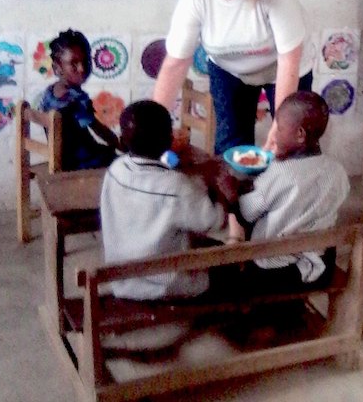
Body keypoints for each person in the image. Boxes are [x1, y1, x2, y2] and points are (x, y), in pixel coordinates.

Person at [153, 0, 314, 155]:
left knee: (293, 145)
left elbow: (289, 58)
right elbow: (175, 64)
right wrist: (154, 130)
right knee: (231, 147)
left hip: (283, 66)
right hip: (228, 69)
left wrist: (280, 126)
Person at [100, 100, 228, 300]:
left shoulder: (116, 169)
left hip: (122, 278)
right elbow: (216, 221)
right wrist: (221, 189)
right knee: (236, 264)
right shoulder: (175, 186)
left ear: (123, 141)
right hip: (164, 285)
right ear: (170, 141)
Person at [236, 91, 350, 292]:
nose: (274, 137)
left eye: (278, 129)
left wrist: (236, 191)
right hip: (321, 268)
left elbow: (247, 212)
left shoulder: (281, 172)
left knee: (239, 222)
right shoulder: (338, 171)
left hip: (273, 273)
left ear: (300, 135)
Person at [37, 29, 119, 171]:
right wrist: (117, 142)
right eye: (73, 63)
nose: (81, 68)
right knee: (123, 164)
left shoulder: (49, 92)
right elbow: (98, 130)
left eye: (85, 61)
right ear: (57, 67)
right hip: (78, 162)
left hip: (61, 157)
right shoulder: (76, 100)